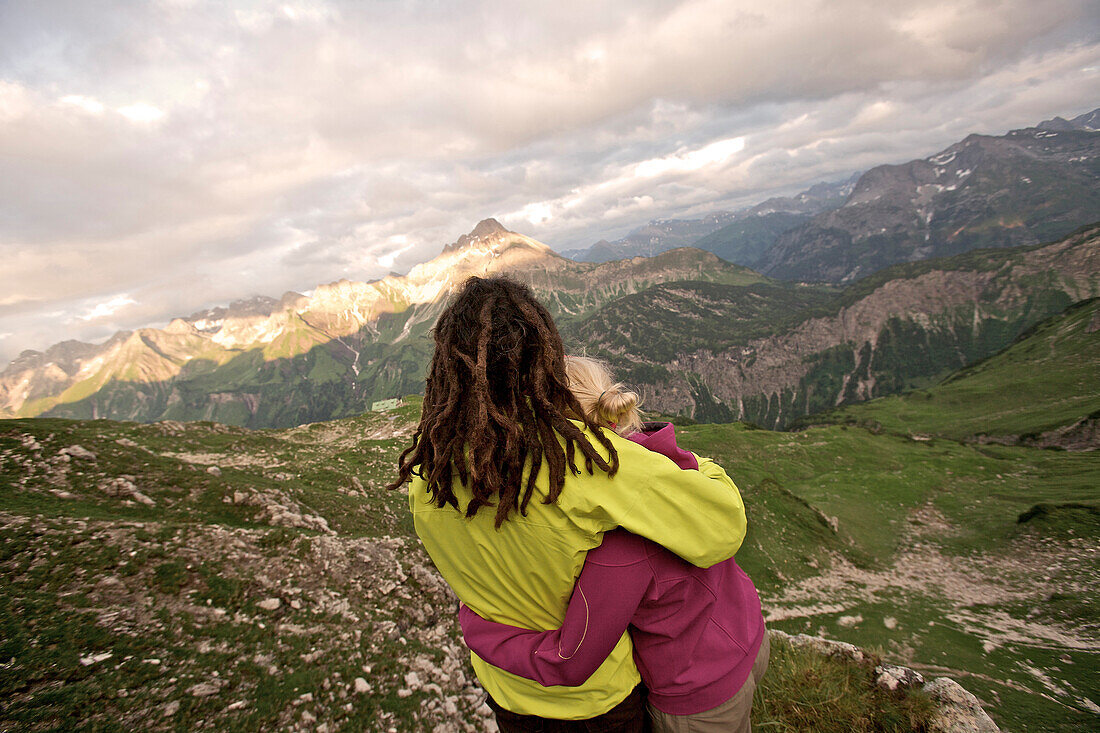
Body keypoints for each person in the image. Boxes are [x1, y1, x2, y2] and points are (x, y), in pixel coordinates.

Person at [390, 277, 747, 731]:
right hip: (598, 701)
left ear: (445, 368)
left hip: (507, 694)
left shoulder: (430, 471)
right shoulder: (582, 461)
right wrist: (694, 463)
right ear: (545, 359)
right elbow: (722, 527)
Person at [459, 356, 768, 733]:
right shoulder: (674, 470)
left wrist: (476, 625)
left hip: (695, 693)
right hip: (748, 638)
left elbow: (569, 659)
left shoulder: (618, 544)